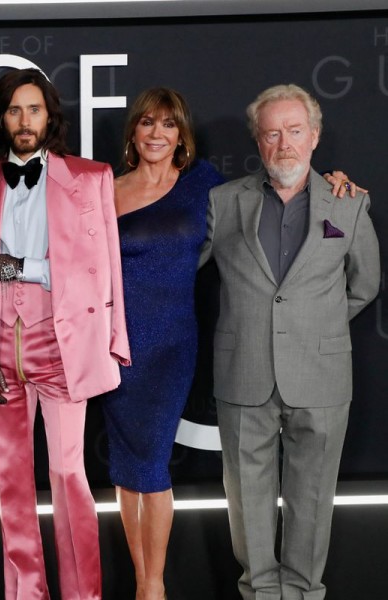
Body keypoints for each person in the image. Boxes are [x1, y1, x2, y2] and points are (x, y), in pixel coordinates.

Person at [0, 68, 130, 600]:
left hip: (61, 344)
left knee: (69, 476)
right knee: (10, 482)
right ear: (1, 119)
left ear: (50, 116)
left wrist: (21, 267)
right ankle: (25, 593)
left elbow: (102, 268)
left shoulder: (91, 178)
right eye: (14, 110)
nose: (24, 120)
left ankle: (83, 595)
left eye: (34, 109)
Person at [200, 83, 380, 600]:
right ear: (258, 140)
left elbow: (365, 285)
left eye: (295, 131)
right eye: (272, 133)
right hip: (244, 372)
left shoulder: (349, 204)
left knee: (312, 500)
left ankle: (303, 593)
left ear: (314, 136)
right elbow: (178, 265)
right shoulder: (222, 202)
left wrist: (313, 325)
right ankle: (259, 593)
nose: (284, 144)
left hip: (321, 375)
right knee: (247, 503)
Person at [101, 87, 224, 600]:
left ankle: (154, 585)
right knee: (126, 468)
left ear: (182, 136)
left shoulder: (203, 184)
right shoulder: (105, 189)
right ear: (133, 132)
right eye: (147, 122)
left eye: (168, 124)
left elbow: (271, 194)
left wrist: (333, 183)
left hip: (171, 346)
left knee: (151, 464)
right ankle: (141, 580)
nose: (157, 133)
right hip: (115, 347)